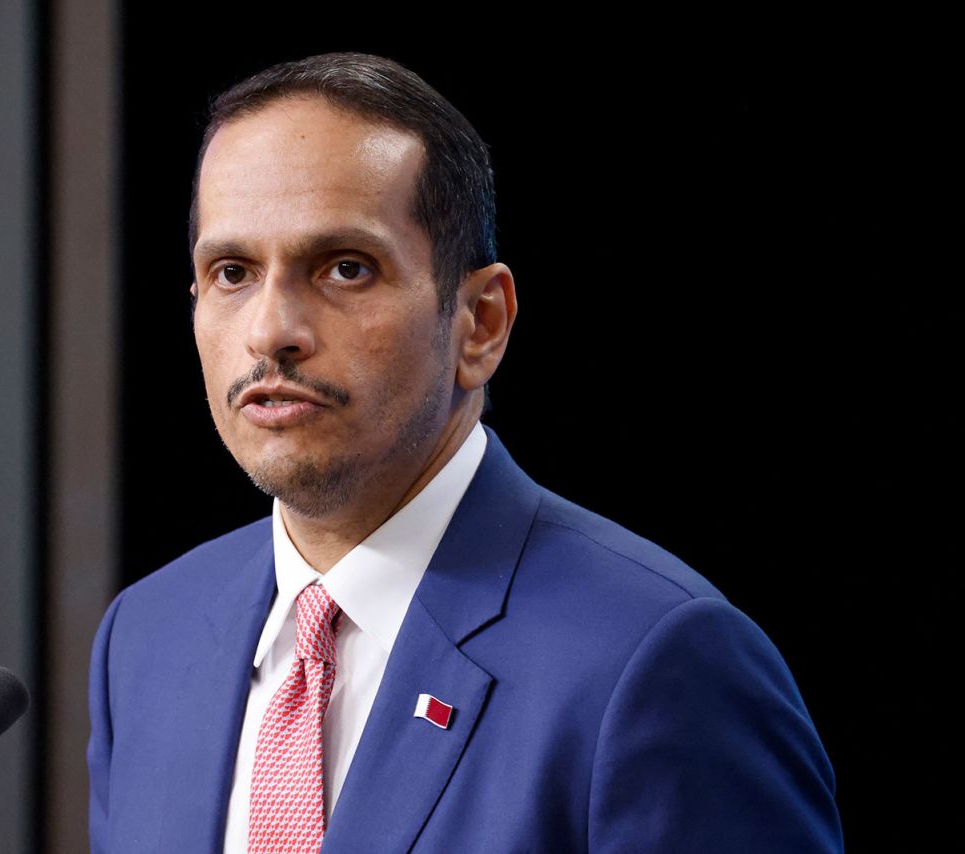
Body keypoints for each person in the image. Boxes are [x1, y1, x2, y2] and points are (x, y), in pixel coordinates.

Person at [87, 52, 843, 853]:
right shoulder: (146, 636)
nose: (271, 331)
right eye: (232, 271)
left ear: (480, 322)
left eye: (346, 268)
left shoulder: (658, 663)